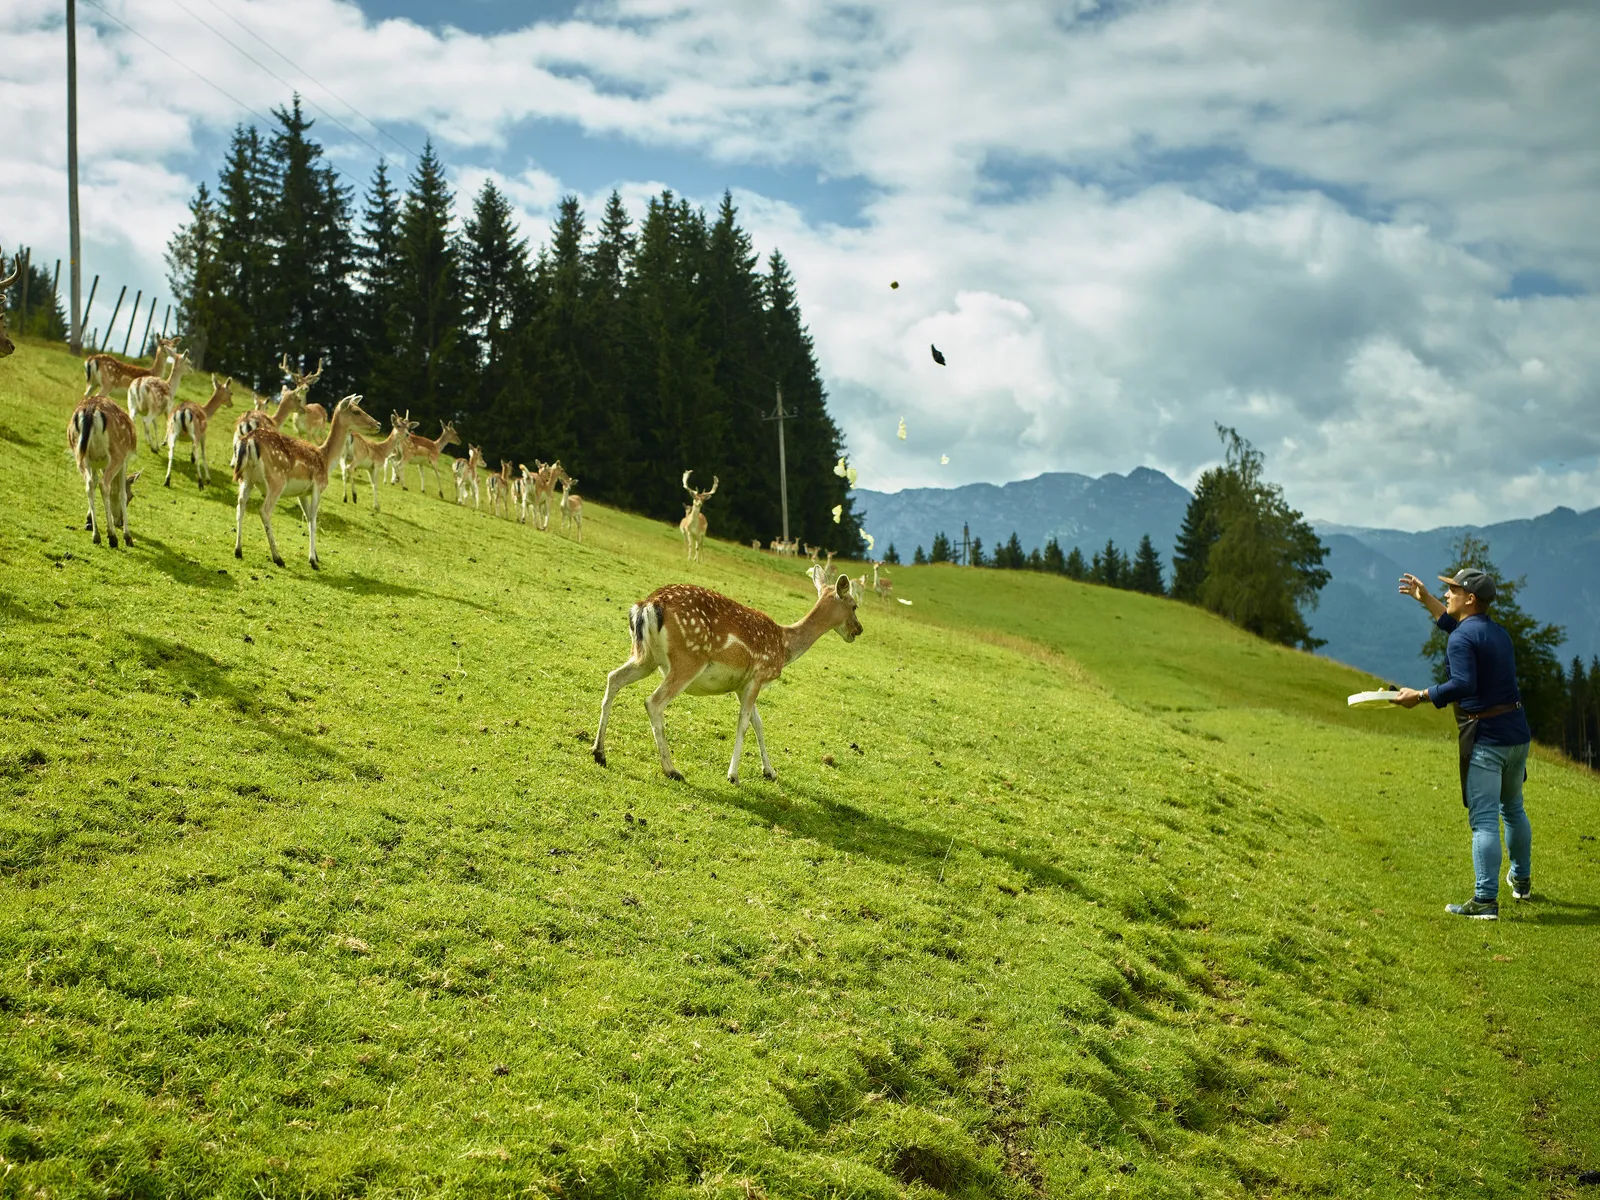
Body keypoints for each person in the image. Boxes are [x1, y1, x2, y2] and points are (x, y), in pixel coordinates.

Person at [1392, 568, 1533, 920]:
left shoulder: (1462, 639)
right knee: (1513, 807)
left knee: (1483, 820)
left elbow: (1463, 684)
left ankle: (1485, 900)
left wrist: (1420, 696)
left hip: (1487, 737)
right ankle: (1522, 880)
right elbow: (1459, 630)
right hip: (1517, 734)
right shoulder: (1497, 633)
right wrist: (1426, 599)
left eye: (1453, 589)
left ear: (1470, 598)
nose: (1449, 593)